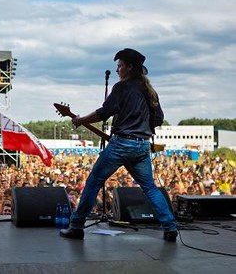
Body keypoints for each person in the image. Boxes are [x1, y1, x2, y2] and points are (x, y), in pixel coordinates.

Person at [59, 48, 178, 242]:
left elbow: (103, 112)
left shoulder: (121, 88)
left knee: (93, 182)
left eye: (120, 65)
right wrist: (139, 122)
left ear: (130, 67)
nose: (117, 70)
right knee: (150, 188)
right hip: (141, 146)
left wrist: (80, 120)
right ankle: (170, 227)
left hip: (122, 143)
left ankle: (77, 226)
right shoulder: (150, 92)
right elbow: (159, 119)